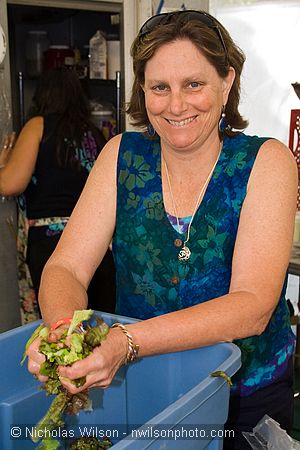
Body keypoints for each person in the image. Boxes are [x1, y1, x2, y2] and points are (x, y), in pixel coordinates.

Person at [25, 11, 297, 449]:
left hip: (244, 395)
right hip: (148, 391)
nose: (176, 105)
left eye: (194, 84)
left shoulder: (266, 163)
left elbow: (253, 306)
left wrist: (126, 341)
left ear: (226, 83)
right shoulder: (121, 157)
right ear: (143, 90)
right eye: (159, 87)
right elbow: (67, 268)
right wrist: (64, 329)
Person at [0, 68, 116, 321]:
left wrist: (3, 164)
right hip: (97, 247)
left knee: (61, 331)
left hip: (52, 248)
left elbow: (11, 184)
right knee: (100, 328)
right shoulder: (94, 133)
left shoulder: (38, 125)